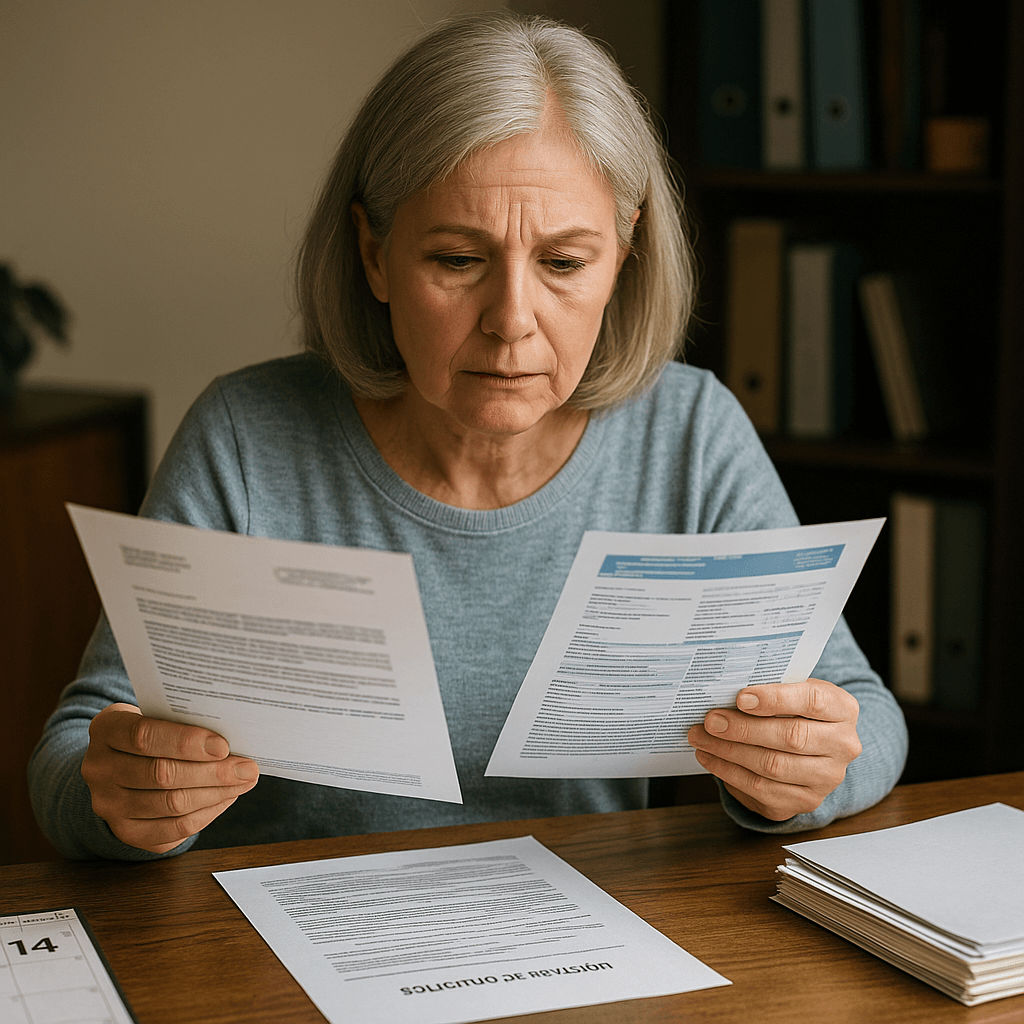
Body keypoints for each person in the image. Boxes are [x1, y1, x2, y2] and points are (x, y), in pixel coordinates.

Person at [29, 12, 907, 861]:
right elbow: (77, 752)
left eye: (564, 264)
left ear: (625, 253)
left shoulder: (689, 432)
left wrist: (808, 770)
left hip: (579, 948)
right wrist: (127, 797)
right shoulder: (247, 436)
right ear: (373, 253)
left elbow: (866, 715)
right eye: (456, 260)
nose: (512, 322)